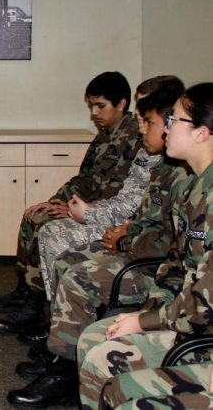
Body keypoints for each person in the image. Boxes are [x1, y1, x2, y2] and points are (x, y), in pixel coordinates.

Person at [6, 82, 185, 408]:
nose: (139, 124)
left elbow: (168, 238)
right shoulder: (153, 157)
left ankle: (63, 365)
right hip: (126, 235)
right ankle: (54, 339)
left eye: (148, 119)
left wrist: (115, 231)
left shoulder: (181, 173)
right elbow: (109, 192)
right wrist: (67, 203)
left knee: (70, 264)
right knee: (57, 246)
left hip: (152, 263)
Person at [76, 83, 213, 409]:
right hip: (187, 318)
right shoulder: (194, 190)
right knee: (95, 341)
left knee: (113, 373)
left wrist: (145, 321)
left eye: (175, 120)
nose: (166, 127)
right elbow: (177, 266)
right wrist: (148, 311)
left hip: (199, 331)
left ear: (202, 133)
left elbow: (205, 303)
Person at [0, 72, 141, 333]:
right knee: (34, 216)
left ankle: (35, 306)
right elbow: (85, 178)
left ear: (122, 104)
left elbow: (117, 192)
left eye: (100, 106)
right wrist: (57, 200)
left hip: (101, 214)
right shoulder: (105, 134)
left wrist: (71, 209)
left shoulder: (134, 138)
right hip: (84, 205)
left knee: (46, 224)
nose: (94, 112)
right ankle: (25, 290)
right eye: (91, 105)